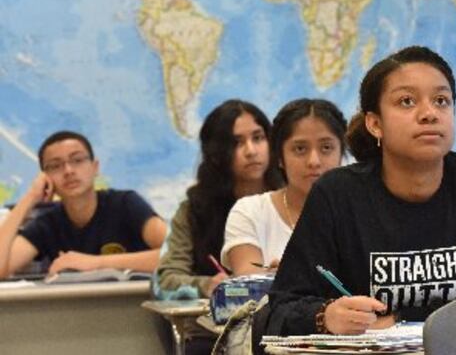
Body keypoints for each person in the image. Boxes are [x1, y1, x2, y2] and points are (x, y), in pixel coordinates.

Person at [262, 45, 456, 336]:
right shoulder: (337, 194)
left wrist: (401, 318)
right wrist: (325, 316)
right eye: (407, 101)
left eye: (442, 100)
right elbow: (281, 308)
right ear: (375, 123)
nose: (429, 113)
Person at [155, 99, 283, 299]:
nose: (251, 151)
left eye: (258, 138)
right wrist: (207, 285)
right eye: (237, 143)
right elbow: (167, 279)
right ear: (216, 154)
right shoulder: (195, 209)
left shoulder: (289, 197)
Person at [0, 131, 167, 278]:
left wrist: (95, 263)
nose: (68, 171)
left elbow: (180, 254)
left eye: (77, 160)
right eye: (55, 166)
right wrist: (30, 198)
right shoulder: (48, 224)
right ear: (45, 178)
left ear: (95, 168)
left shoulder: (125, 204)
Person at [222, 98, 347, 275]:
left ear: (341, 153)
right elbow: (248, 286)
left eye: (326, 147)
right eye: (300, 149)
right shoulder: (250, 212)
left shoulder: (363, 212)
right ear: (279, 157)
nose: (314, 161)